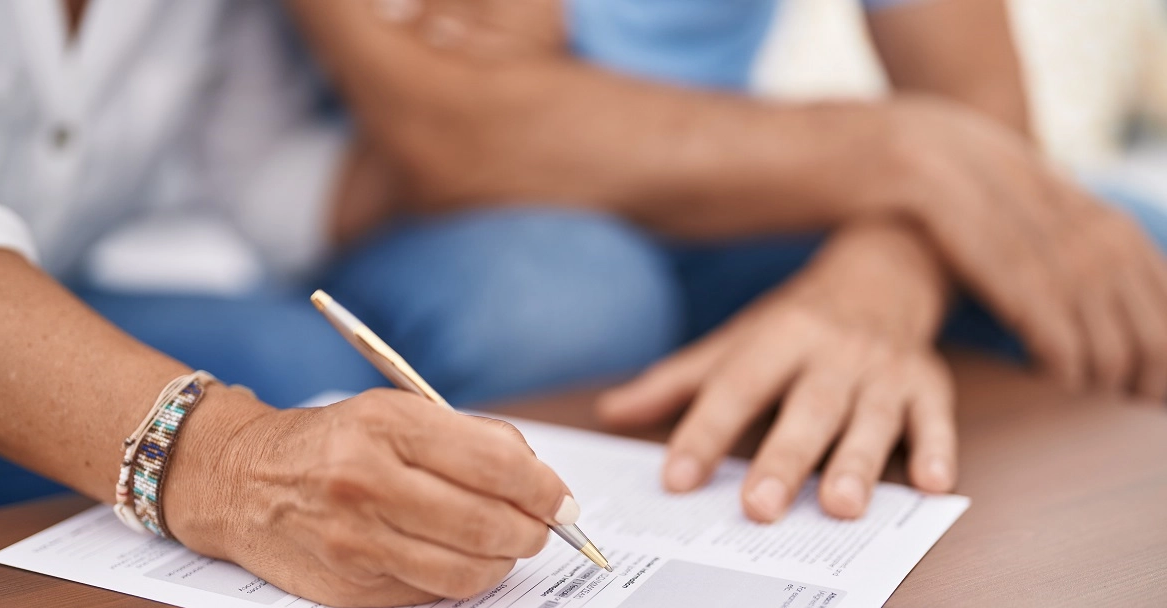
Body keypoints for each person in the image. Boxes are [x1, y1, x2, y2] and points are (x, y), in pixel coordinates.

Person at [289, 0, 1167, 525]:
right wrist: (907, 153)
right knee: (566, 299)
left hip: (728, 205)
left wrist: (878, 284)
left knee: (1123, 240)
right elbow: (454, 130)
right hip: (462, 222)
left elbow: (978, 107)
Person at [0, 0, 593, 608]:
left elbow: (256, 168)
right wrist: (225, 460)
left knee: (566, 292)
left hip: (65, 277)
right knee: (304, 374)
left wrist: (444, 129)